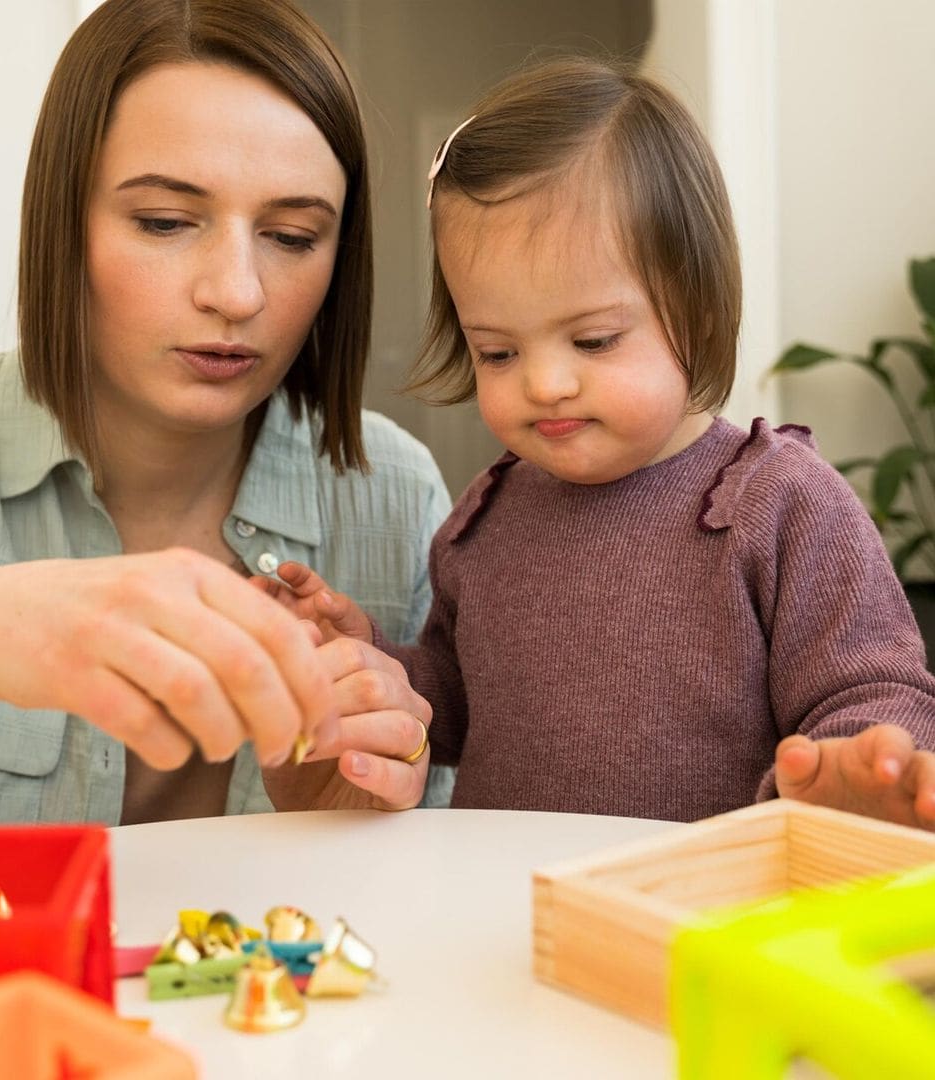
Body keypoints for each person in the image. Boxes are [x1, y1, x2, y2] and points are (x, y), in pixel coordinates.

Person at [259, 56, 935, 828]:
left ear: (699, 317)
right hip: (506, 911)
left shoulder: (780, 504)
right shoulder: (486, 520)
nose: (545, 383)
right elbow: (450, 699)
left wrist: (851, 775)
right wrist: (374, 667)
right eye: (498, 352)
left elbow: (875, 693)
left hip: (698, 917)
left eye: (593, 340)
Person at [0, 0, 453, 826]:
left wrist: (346, 820)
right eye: (165, 222)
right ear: (64, 221)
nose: (237, 292)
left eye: (291, 235)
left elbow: (436, 903)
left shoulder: (393, 496)